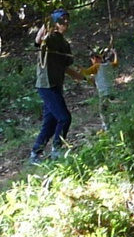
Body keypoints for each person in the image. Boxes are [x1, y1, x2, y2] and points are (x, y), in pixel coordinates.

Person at [30, 10, 100, 161]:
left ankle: (35, 153)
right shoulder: (49, 38)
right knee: (64, 117)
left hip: (55, 84)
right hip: (46, 85)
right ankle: (56, 150)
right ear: (55, 23)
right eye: (62, 20)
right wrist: (46, 22)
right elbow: (38, 40)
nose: (66, 23)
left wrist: (86, 79)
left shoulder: (64, 44)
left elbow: (67, 69)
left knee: (51, 121)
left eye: (67, 20)